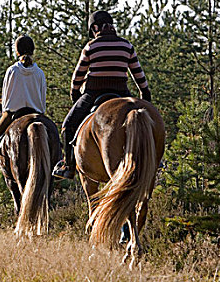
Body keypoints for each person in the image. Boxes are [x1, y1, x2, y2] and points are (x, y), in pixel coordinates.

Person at [52, 10, 152, 179]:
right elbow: (138, 75)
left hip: (93, 93)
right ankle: (157, 158)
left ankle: (68, 166)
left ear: (95, 28)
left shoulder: (91, 46)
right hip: (121, 93)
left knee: (68, 125)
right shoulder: (126, 46)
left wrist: (75, 93)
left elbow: (78, 77)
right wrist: (145, 94)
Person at [0, 35, 47, 185]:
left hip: (14, 113)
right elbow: (42, 98)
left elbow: (6, 99)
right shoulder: (39, 72)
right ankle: (57, 164)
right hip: (37, 113)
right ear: (33, 50)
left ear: (17, 52)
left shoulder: (12, 71)